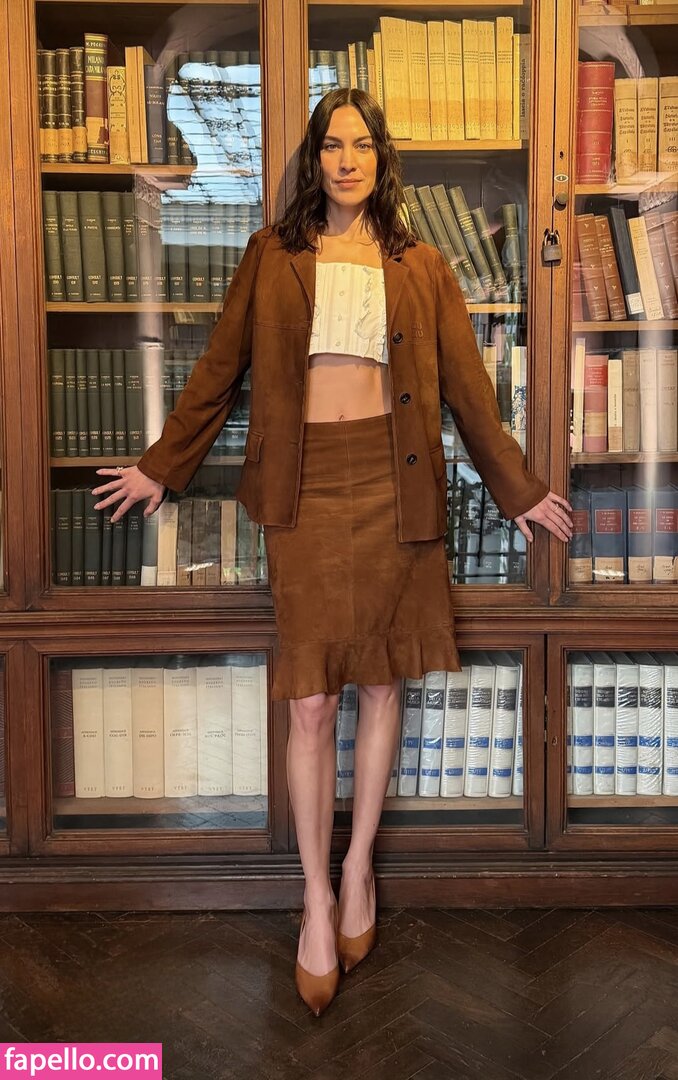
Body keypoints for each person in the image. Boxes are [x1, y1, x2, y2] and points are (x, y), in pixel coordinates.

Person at [91, 88, 573, 1018]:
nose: (345, 160)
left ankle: (359, 871)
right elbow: (218, 369)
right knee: (311, 702)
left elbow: (469, 390)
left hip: (396, 488)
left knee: (383, 685)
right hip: (305, 491)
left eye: (360, 145)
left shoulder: (421, 264)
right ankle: (314, 895)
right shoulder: (271, 256)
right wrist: (160, 466)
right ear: (313, 160)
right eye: (330, 145)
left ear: (380, 159)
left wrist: (518, 490)